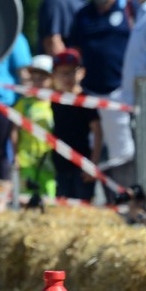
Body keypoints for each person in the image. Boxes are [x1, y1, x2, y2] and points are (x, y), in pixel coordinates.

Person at [68, 0, 134, 187]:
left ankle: (126, 203)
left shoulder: (130, 10)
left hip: (119, 95)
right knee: (89, 154)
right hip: (89, 96)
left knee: (123, 156)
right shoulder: (82, 15)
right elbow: (74, 50)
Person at [49, 49, 102, 201]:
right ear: (54, 75)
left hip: (82, 165)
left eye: (71, 72)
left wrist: (93, 163)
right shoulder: (53, 99)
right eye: (62, 73)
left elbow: (97, 132)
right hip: (58, 165)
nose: (67, 77)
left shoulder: (86, 100)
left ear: (81, 73)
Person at [0, 32, 33, 184]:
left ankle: (2, 196)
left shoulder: (16, 38)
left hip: (4, 104)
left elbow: (24, 72)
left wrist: (26, 103)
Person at [16, 54, 58, 202]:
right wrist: (15, 155)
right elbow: (14, 130)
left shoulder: (57, 103)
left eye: (43, 76)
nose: (38, 80)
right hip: (26, 159)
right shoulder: (24, 104)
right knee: (26, 199)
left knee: (49, 198)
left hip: (49, 160)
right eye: (35, 76)